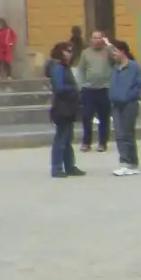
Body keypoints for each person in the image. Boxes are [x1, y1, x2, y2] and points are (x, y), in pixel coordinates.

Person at [46, 41, 86, 178]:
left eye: (71, 51)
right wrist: (75, 90)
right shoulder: (58, 68)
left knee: (68, 138)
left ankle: (69, 166)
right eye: (67, 51)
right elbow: (59, 88)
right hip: (62, 107)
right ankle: (57, 167)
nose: (69, 54)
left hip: (68, 106)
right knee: (61, 138)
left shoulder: (64, 67)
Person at [108, 39, 141, 176]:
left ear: (122, 51)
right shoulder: (115, 68)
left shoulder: (134, 67)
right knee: (119, 134)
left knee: (128, 134)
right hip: (116, 104)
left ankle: (132, 163)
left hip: (129, 104)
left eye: (115, 52)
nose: (113, 55)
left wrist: (130, 96)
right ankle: (124, 161)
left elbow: (140, 85)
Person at [76, 30, 115, 153]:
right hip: (89, 89)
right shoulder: (85, 53)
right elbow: (81, 70)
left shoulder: (107, 51)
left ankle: (102, 143)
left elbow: (117, 56)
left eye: (100, 38)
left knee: (104, 117)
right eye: (95, 38)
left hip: (105, 88)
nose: (97, 40)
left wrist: (108, 44)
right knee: (87, 116)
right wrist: (80, 86)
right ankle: (86, 142)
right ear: (90, 40)